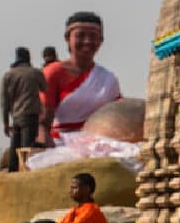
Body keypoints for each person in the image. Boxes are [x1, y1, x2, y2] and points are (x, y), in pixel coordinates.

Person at [41, 12, 121, 143]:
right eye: (80, 35)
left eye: (93, 36)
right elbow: (42, 123)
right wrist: (45, 148)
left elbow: (118, 117)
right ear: (68, 38)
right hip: (61, 144)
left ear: (101, 40)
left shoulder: (108, 78)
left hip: (101, 144)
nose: (87, 41)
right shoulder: (53, 72)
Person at [2, 46, 46, 172]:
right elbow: (44, 88)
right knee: (27, 148)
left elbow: (4, 102)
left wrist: (5, 123)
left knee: (14, 146)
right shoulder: (35, 72)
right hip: (30, 115)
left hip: (16, 116)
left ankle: (12, 172)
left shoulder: (8, 75)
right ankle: (25, 174)